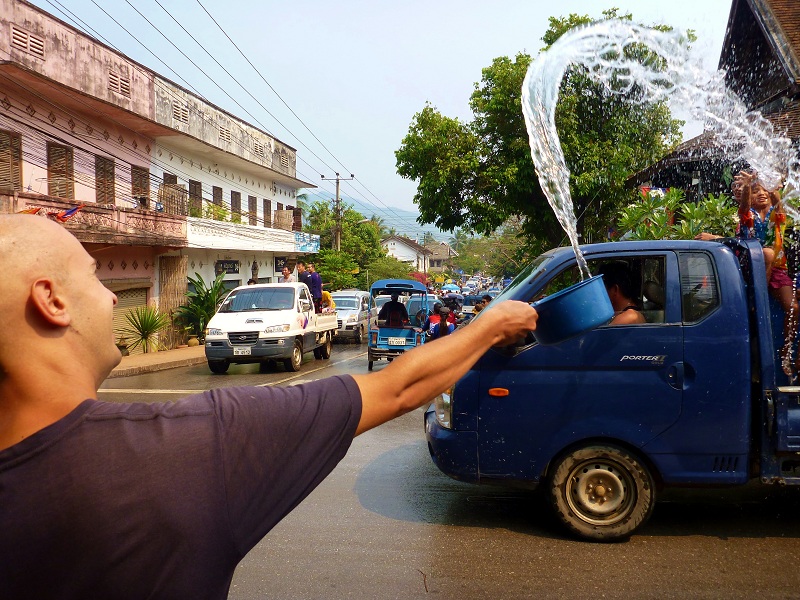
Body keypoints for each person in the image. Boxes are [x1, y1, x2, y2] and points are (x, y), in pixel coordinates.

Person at [0, 214, 538, 599]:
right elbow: (396, 389)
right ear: (52, 300)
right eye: (94, 275)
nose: (113, 295)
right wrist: (491, 327)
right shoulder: (194, 443)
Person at [597, 261, 646, 325]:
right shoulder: (631, 313)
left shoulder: (629, 317)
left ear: (615, 289)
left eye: (603, 289)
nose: (601, 294)